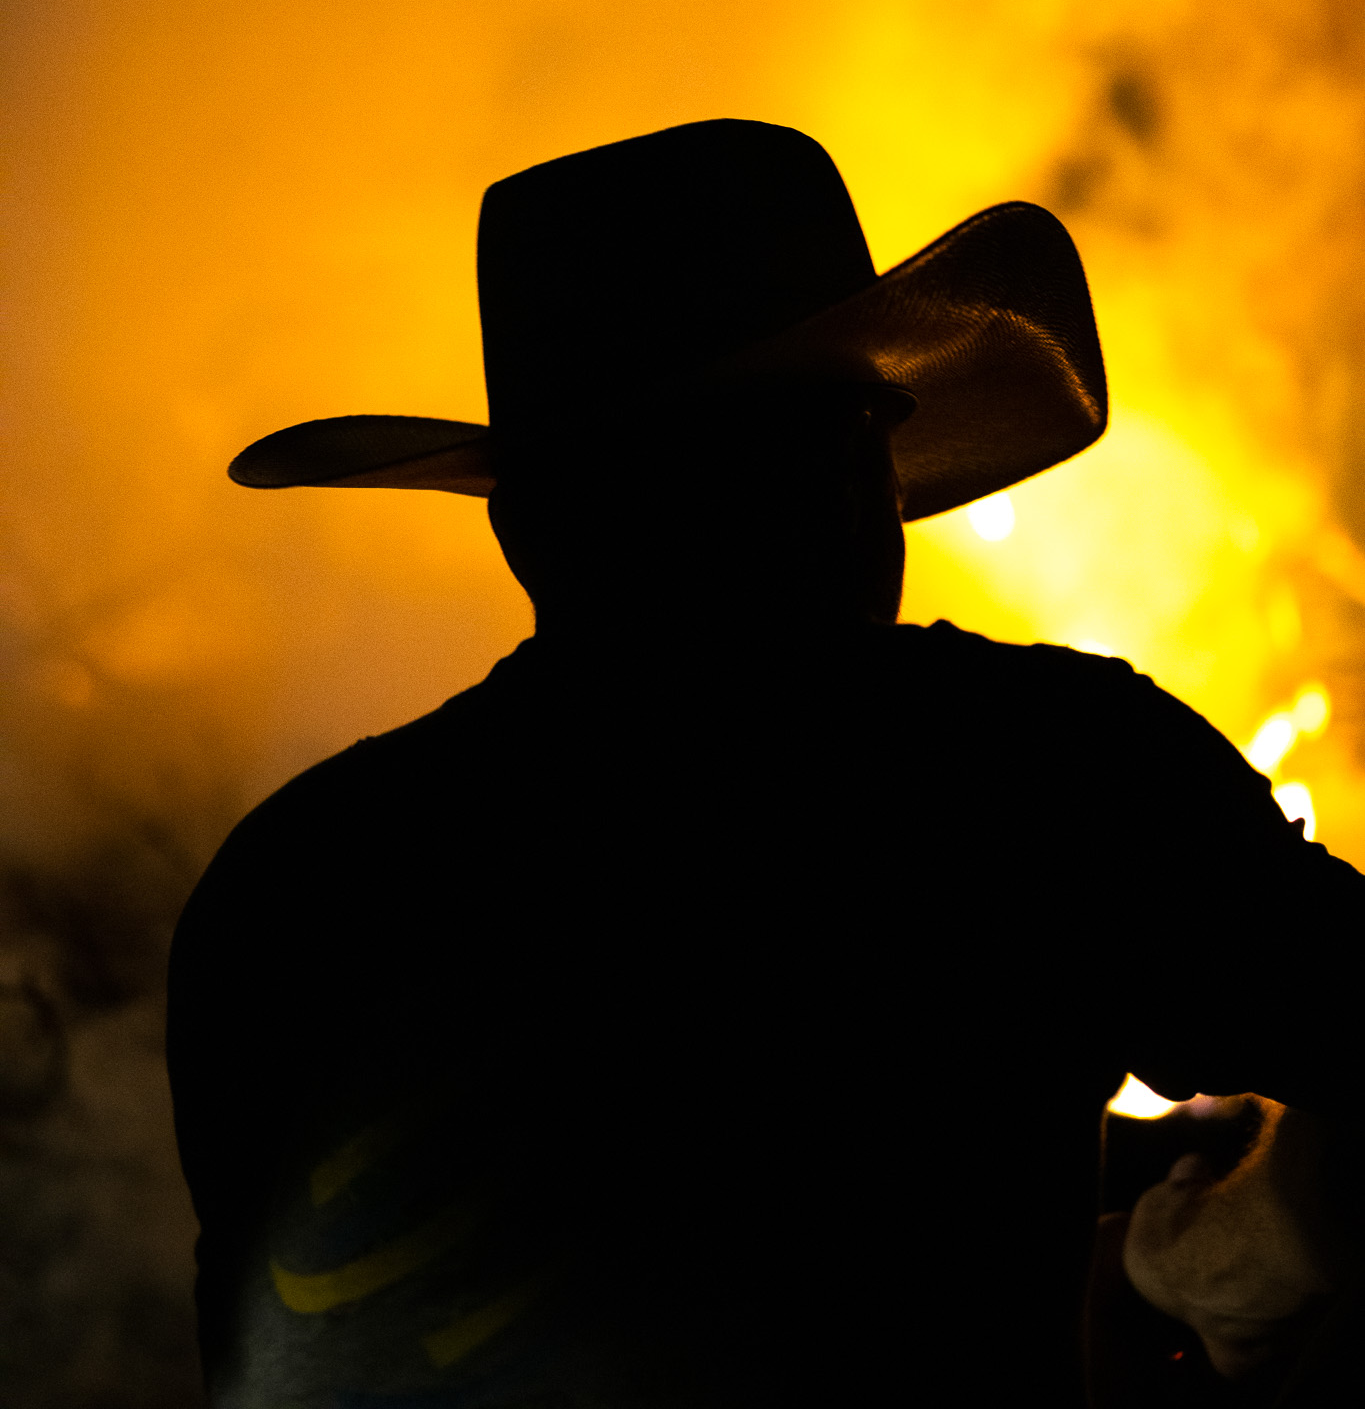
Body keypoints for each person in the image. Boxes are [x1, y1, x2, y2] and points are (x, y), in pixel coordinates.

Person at [166, 119, 1365, 1408]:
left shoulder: (292, 891)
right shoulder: (1039, 773)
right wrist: (1214, 1258)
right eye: (851, 438)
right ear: (861, 477)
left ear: (525, 528)